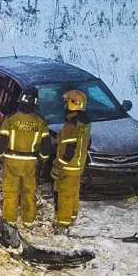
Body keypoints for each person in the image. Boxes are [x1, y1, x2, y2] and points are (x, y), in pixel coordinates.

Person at [0, 86, 52, 228]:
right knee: (29, 192)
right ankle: (28, 222)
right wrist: (43, 159)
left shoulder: (10, 119)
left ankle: (9, 222)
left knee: (10, 192)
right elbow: (46, 144)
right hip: (30, 163)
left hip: (11, 161)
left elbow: (2, 140)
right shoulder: (40, 121)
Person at [51, 90, 91, 232]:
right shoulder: (85, 122)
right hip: (78, 166)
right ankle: (72, 216)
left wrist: (57, 167)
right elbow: (87, 142)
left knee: (65, 195)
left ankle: (63, 224)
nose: (64, 106)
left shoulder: (71, 125)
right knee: (74, 193)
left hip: (68, 167)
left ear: (73, 104)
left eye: (66, 102)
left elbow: (68, 151)